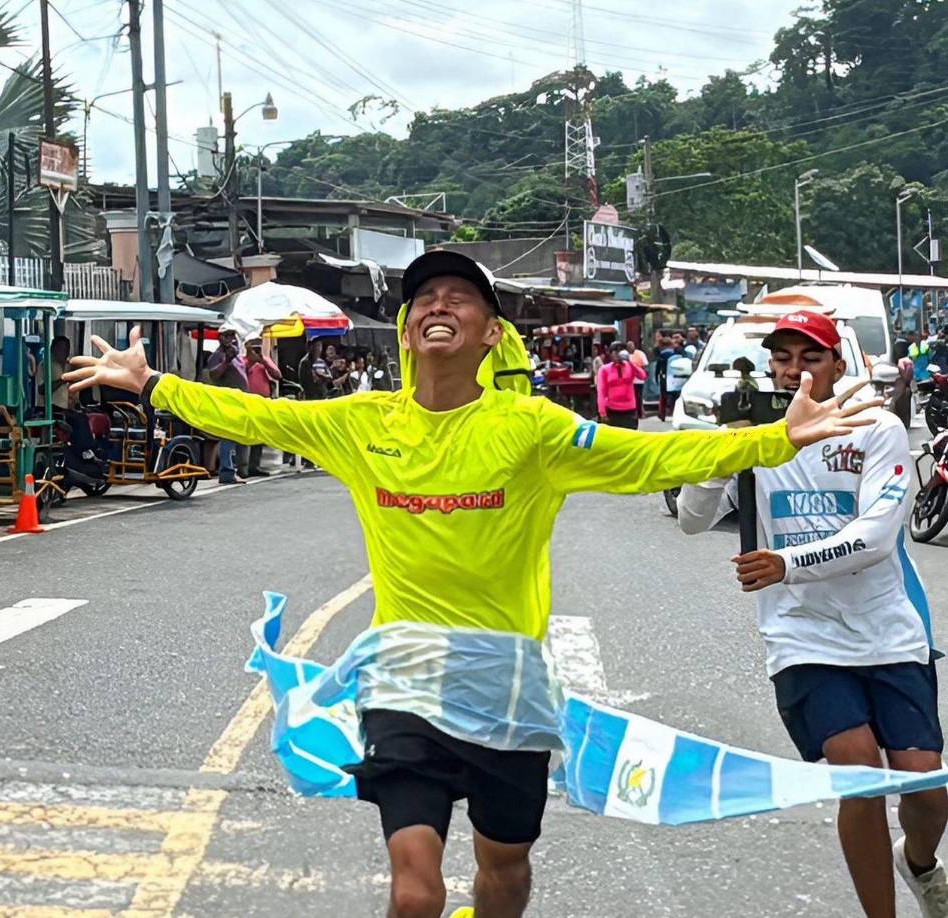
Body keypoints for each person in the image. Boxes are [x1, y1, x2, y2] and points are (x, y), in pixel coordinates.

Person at [65, 252, 876, 918]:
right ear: (409, 331)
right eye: (424, 297)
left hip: (507, 692)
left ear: (491, 334)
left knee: (506, 873)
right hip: (404, 679)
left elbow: (648, 461)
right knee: (415, 893)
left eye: (460, 297)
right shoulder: (361, 422)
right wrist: (151, 385)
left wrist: (771, 439)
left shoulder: (532, 430)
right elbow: (258, 420)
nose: (437, 305)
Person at [677, 310, 948, 918]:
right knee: (859, 775)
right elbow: (693, 518)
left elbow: (877, 534)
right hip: (802, 634)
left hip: (887, 628)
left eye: (811, 358)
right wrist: (723, 451)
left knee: (927, 787)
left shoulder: (874, 427)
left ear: (838, 364)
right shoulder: (758, 436)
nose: (794, 371)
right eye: (783, 358)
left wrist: (786, 562)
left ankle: (921, 861)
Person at [205, 324, 249, 484]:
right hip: (228, 400)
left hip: (240, 400)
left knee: (236, 436)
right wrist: (226, 361)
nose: (230, 339)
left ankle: (234, 469)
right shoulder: (217, 356)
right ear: (220, 337)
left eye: (232, 335)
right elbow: (214, 375)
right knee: (228, 436)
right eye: (227, 335)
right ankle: (227, 472)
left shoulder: (236, 354)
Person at [243, 336, 282, 477]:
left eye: (259, 346)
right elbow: (242, 373)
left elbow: (278, 375)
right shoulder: (243, 361)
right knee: (247, 435)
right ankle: (244, 465)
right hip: (248, 400)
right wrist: (252, 361)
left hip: (263, 401)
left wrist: (264, 361)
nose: (257, 349)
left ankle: (255, 464)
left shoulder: (264, 361)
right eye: (254, 347)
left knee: (259, 434)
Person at [596, 344, 646, 429]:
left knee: (630, 436)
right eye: (615, 352)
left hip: (629, 409)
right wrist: (602, 412)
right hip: (612, 409)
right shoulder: (605, 369)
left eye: (620, 352)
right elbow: (601, 392)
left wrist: (630, 362)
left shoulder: (630, 366)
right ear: (611, 354)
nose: (617, 355)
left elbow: (642, 376)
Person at [625, 340, 648, 419]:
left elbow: (645, 365)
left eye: (631, 346)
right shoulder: (625, 355)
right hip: (629, 380)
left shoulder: (640, 354)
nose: (630, 348)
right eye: (628, 346)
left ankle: (640, 413)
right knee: (632, 397)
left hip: (638, 380)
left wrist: (642, 373)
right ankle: (633, 413)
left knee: (639, 397)